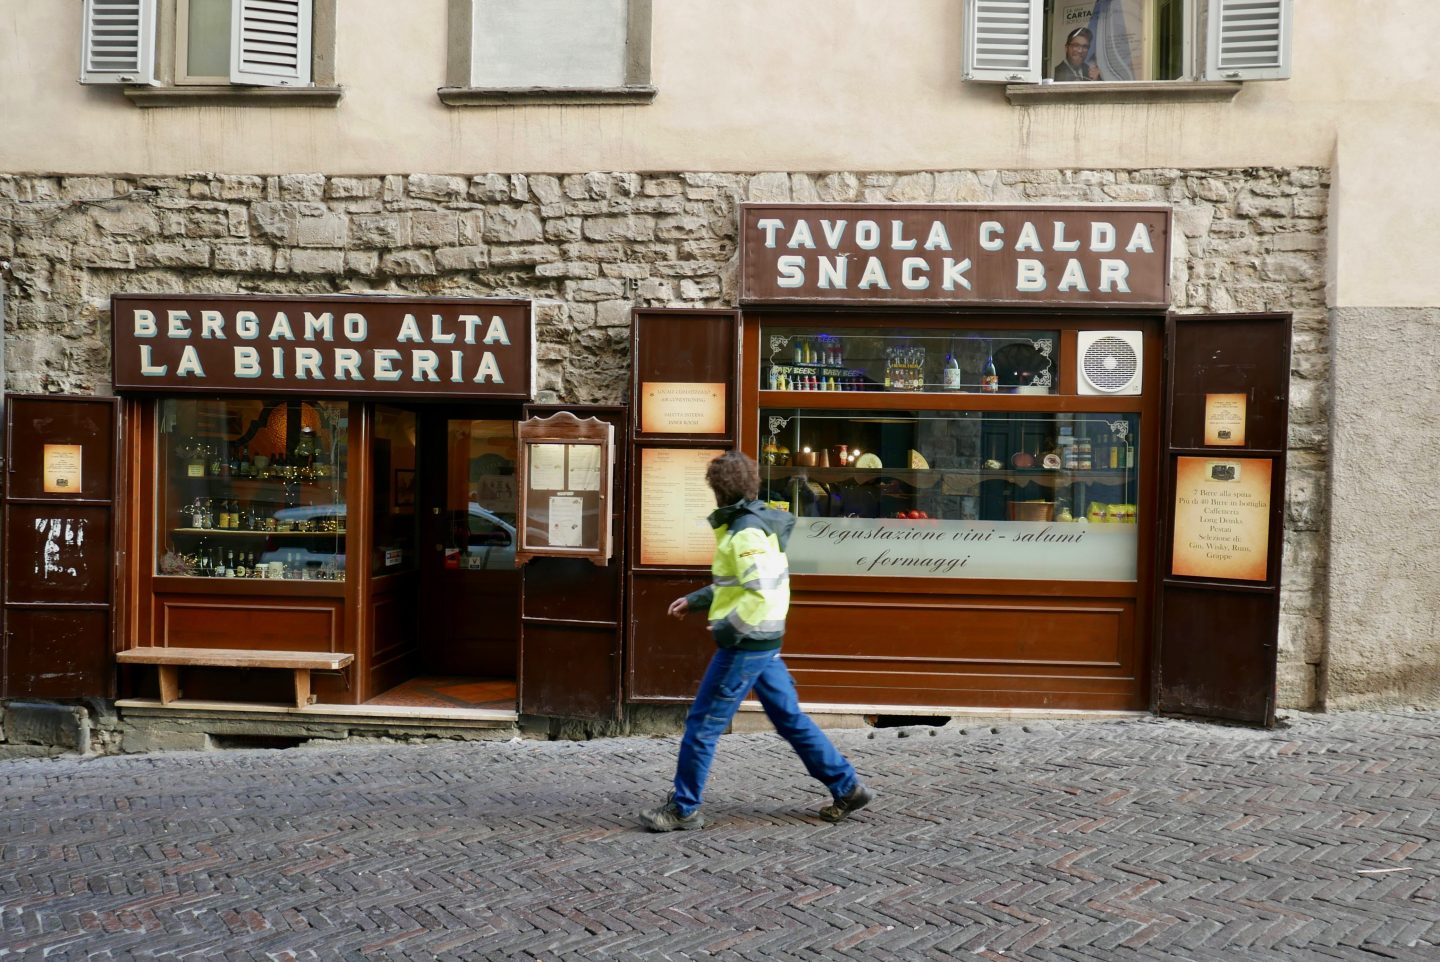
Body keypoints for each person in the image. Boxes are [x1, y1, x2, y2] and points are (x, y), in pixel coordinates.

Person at [639, 451, 874, 832]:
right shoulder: (755, 521)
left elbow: (759, 591)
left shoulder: (744, 531)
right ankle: (846, 787)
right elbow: (740, 582)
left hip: (747, 644)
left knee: (702, 724)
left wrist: (728, 627)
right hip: (763, 641)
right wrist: (698, 600)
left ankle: (684, 808)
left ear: (717, 490)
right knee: (789, 719)